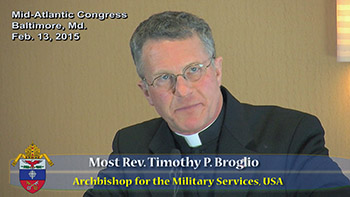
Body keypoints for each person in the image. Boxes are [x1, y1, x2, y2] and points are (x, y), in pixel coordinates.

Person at [85, 11, 350, 196]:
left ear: (217, 70)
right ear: (146, 92)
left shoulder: (291, 134)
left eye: (194, 69)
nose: (183, 90)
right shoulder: (131, 146)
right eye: (164, 77)